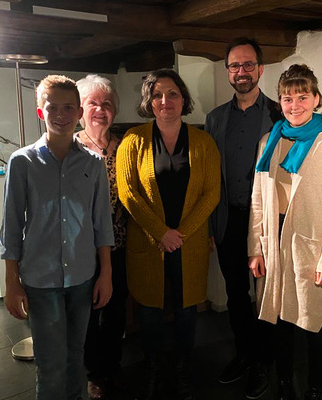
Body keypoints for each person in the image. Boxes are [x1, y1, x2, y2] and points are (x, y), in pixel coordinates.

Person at [0, 75, 114, 400]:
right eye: (53, 108)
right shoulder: (22, 162)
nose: (61, 115)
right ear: (41, 112)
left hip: (81, 276)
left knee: (76, 356)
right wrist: (12, 281)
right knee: (50, 364)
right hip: (40, 278)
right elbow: (10, 226)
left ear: (79, 113)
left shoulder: (93, 163)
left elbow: (101, 222)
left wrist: (105, 272)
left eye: (68, 108)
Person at [248, 64, 322, 400]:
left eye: (302, 96)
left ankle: (315, 389)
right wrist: (255, 248)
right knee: (278, 321)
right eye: (287, 98)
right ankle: (283, 385)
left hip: (312, 245)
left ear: (316, 98)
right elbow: (257, 200)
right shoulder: (269, 139)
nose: (295, 105)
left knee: (314, 323)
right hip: (273, 239)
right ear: (280, 102)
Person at [116, 69, 220, 400]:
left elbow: (212, 193)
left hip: (187, 243)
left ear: (183, 99)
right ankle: (153, 366)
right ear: (150, 101)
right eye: (158, 94)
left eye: (173, 93)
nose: (165, 101)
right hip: (149, 242)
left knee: (187, 308)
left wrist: (181, 234)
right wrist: (161, 232)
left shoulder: (203, 142)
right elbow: (128, 192)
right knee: (149, 310)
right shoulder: (133, 140)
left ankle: (182, 366)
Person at [204, 36, 281, 400]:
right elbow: (208, 175)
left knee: (265, 295)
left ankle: (264, 363)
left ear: (260, 69)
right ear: (228, 72)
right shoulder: (215, 118)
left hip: (266, 224)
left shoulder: (281, 114)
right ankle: (245, 355)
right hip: (228, 220)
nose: (242, 71)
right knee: (236, 294)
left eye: (248, 64)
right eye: (235, 66)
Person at [75, 74, 129, 400]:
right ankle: (94, 372)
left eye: (106, 104)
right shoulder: (68, 146)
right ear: (80, 109)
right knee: (88, 313)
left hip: (120, 242)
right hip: (82, 248)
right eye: (92, 103)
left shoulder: (124, 146)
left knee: (116, 308)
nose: (100, 109)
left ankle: (113, 366)